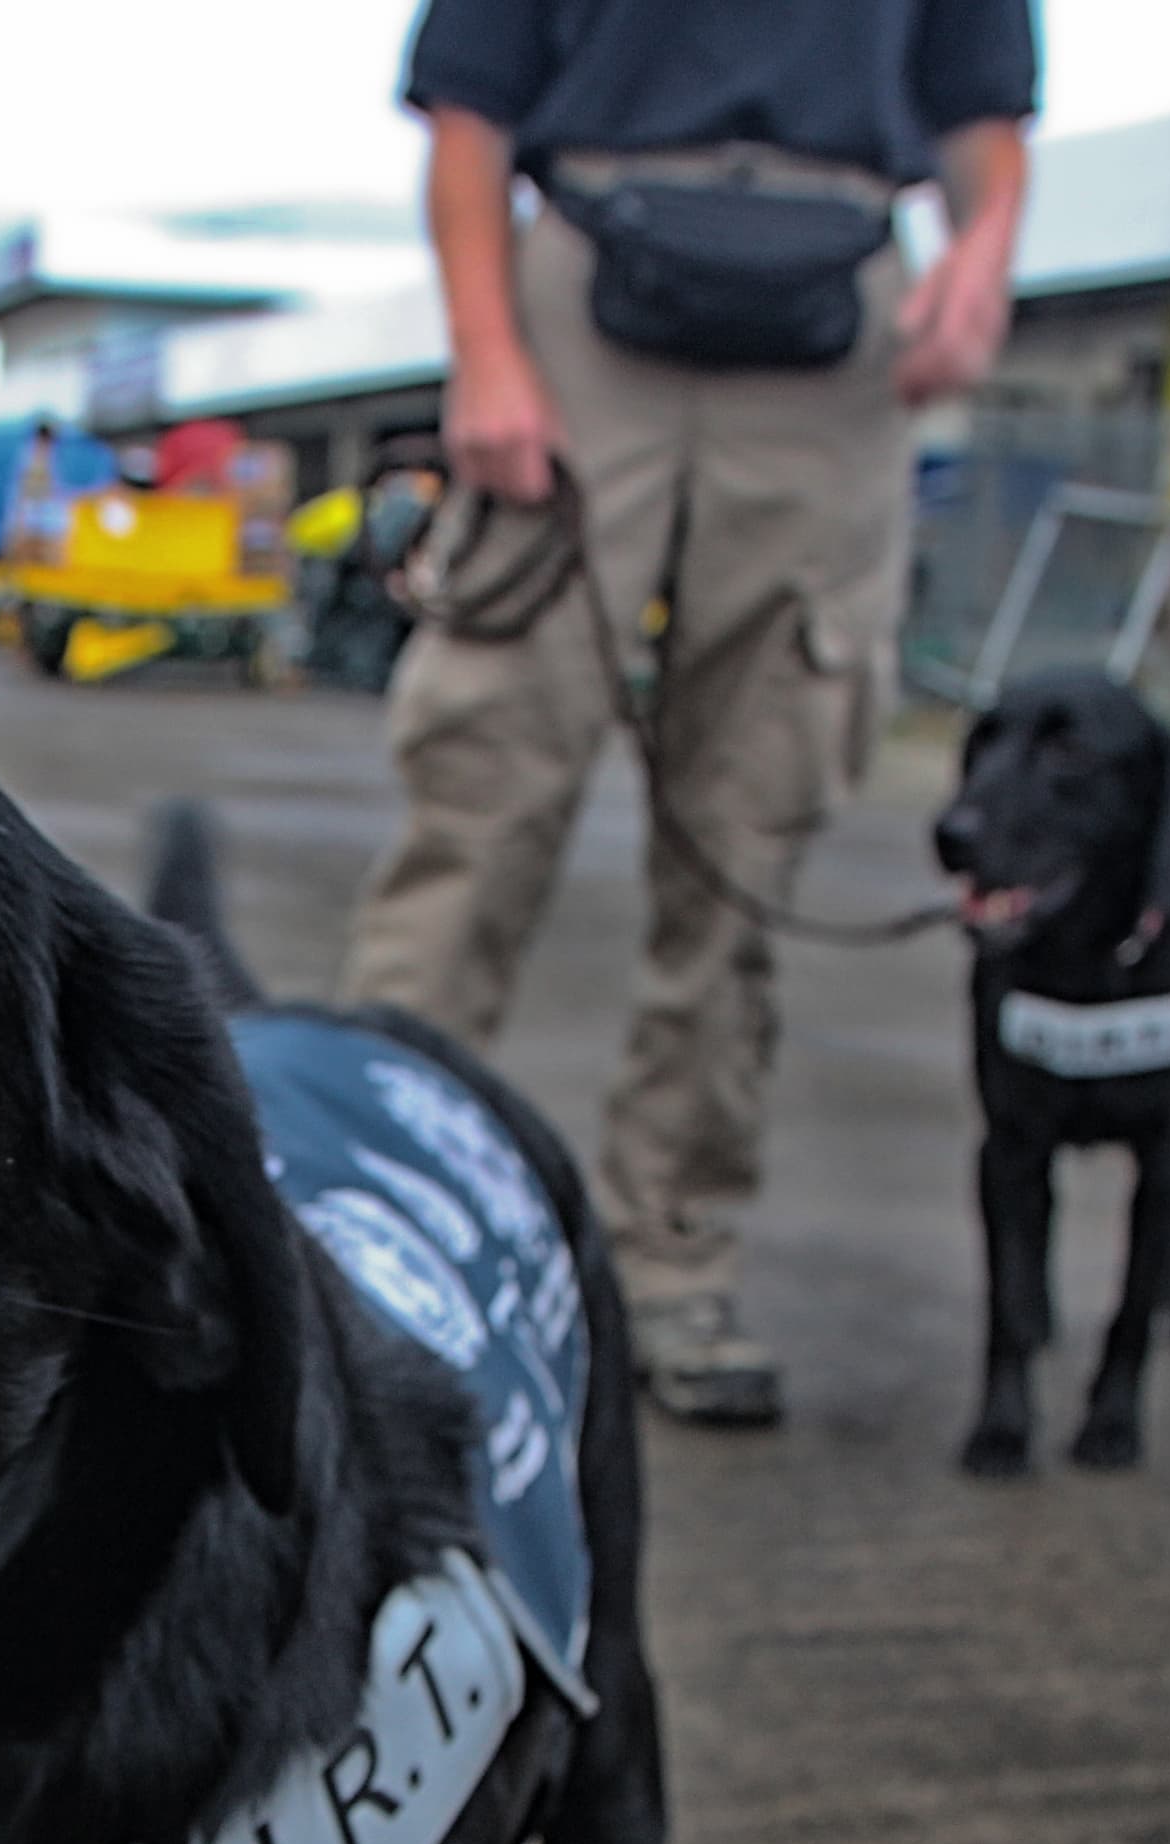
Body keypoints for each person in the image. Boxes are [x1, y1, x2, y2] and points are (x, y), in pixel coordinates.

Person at [343, 0, 1037, 1425]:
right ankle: (361, 1242)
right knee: (483, 796)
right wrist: (484, 350)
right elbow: (467, 112)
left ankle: (673, 1264)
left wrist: (982, 254)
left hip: (839, 316)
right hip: (584, 288)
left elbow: (983, 109)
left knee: (752, 827)